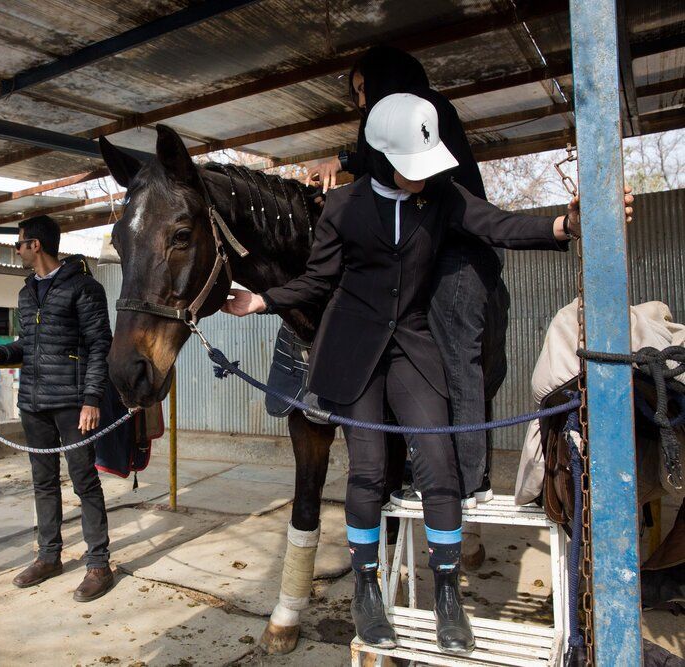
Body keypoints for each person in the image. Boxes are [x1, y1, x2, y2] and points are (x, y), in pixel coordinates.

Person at [223, 93, 632, 654]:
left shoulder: (440, 198)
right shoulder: (342, 207)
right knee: (367, 469)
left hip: (412, 344)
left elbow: (500, 225)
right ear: (386, 156)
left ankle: (446, 596)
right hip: (350, 348)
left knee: (438, 466)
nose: (425, 175)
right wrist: (262, 302)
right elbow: (318, 282)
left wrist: (565, 224)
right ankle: (366, 589)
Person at [309, 46, 504, 516]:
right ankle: (453, 474)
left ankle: (465, 482)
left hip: (461, 249)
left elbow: (391, 152)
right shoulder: (426, 113)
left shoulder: (424, 111)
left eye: (362, 90)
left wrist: (344, 161)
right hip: (451, 245)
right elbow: (379, 158)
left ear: (384, 80)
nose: (360, 103)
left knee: (457, 360)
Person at [0, 215, 115, 602]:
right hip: (33, 402)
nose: (16, 250)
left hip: (72, 402)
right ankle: (49, 556)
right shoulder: (26, 292)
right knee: (43, 482)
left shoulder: (84, 287)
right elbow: (29, 342)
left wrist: (91, 399)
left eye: (19, 243)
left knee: (85, 480)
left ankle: (99, 564)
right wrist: (1, 352)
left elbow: (100, 344)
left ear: (35, 245)